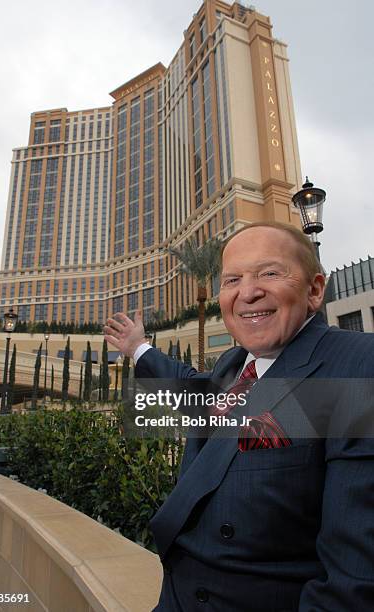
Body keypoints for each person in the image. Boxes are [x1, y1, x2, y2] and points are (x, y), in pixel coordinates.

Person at [104, 222, 374, 612]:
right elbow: (192, 390)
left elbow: (353, 584)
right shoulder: (235, 364)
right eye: (232, 279)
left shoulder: (358, 366)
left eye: (269, 273)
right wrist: (138, 348)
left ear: (314, 290)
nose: (248, 293)